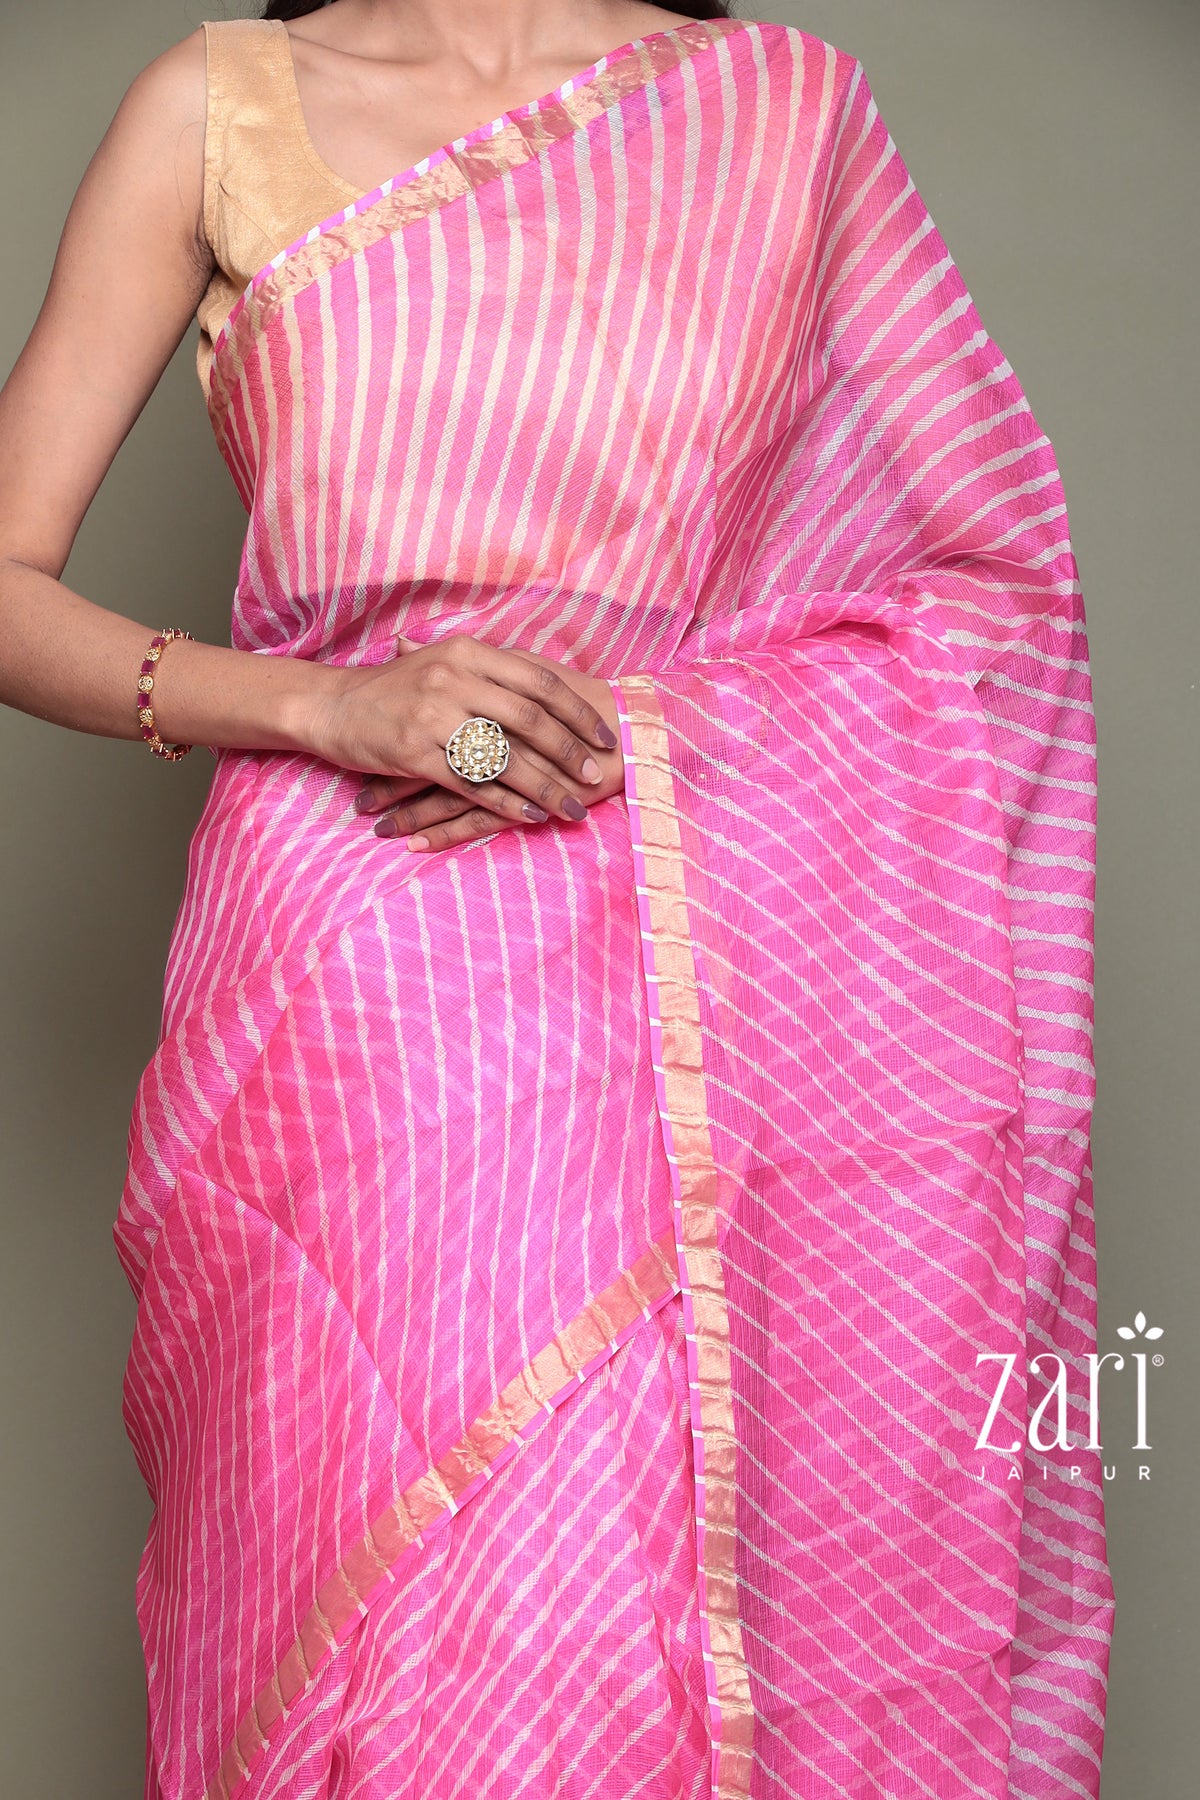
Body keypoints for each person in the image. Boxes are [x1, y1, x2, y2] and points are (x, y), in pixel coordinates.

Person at [0, 2, 1114, 1795]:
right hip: (354, 973)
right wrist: (329, 705)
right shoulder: (221, 109)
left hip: (708, 982)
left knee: (658, 1597)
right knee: (415, 1634)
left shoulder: (785, 111)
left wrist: (647, 738)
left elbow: (994, 590)